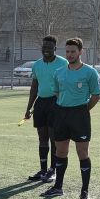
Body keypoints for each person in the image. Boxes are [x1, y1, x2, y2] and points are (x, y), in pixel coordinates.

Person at [40, 38, 100, 199]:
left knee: (82, 152)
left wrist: (82, 110)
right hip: (61, 114)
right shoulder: (59, 72)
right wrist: (65, 107)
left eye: (73, 51)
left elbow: (96, 96)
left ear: (80, 52)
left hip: (80, 115)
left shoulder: (90, 72)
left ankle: (84, 191)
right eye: (67, 51)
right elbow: (57, 93)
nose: (70, 54)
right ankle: (58, 187)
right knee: (60, 151)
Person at [24, 35, 69, 183]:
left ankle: (52, 170)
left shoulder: (63, 63)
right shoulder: (37, 65)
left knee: (53, 138)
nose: (46, 50)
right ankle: (43, 170)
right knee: (42, 138)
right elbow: (34, 87)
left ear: (55, 48)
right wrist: (29, 108)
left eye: (49, 47)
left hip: (56, 104)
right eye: (44, 47)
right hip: (41, 104)